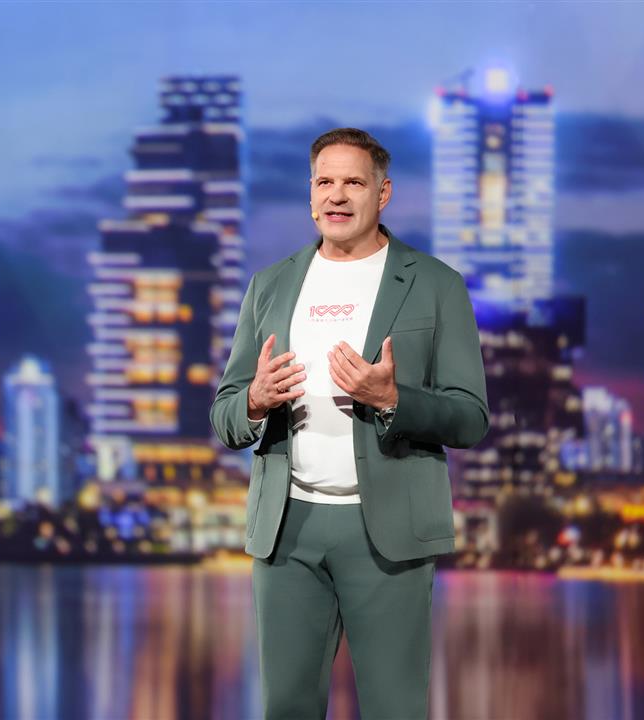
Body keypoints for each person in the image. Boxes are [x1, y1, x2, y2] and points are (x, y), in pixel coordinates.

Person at [209, 128, 489, 720]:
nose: (336, 195)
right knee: (286, 707)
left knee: (395, 709)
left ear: (383, 193)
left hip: (387, 530)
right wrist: (254, 400)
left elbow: (470, 416)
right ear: (310, 193)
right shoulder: (270, 285)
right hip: (287, 529)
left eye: (354, 182)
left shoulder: (436, 285)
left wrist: (392, 399)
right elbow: (225, 412)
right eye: (324, 181)